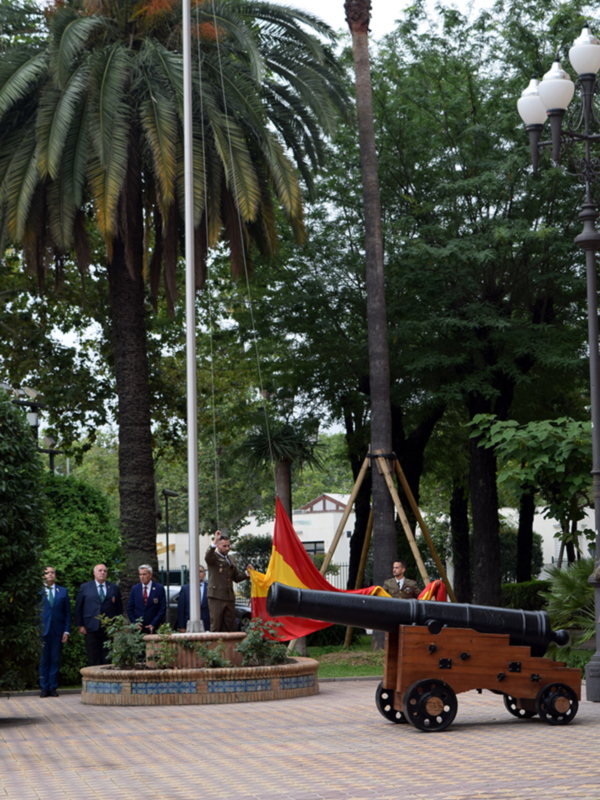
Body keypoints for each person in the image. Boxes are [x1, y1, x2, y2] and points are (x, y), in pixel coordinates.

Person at [75, 564, 123, 666]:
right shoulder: (85, 587)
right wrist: (80, 625)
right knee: (93, 655)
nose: (102, 573)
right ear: (94, 573)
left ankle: (106, 675)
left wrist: (117, 625)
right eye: (100, 570)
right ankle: (94, 675)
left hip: (108, 628)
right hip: (90, 626)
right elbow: (78, 607)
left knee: (107, 656)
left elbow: (119, 608)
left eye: (105, 571)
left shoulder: (114, 588)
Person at [205, 531, 253, 632]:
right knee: (216, 625)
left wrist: (247, 573)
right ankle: (215, 643)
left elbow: (236, 578)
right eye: (224, 546)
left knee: (229, 625)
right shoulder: (213, 558)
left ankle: (227, 643)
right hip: (216, 596)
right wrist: (215, 541)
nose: (227, 548)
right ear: (218, 546)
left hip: (229, 597)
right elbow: (208, 556)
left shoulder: (231, 559)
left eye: (228, 546)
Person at [39, 566, 71, 698]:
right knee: (43, 660)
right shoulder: (38, 592)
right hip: (42, 631)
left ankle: (52, 687)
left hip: (58, 631)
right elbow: (33, 613)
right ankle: (44, 688)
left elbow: (67, 613)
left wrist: (66, 631)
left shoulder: (62, 591)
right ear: (43, 576)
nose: (50, 575)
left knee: (55, 660)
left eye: (52, 572)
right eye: (47, 573)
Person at [126, 564, 166, 634]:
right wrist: (135, 623)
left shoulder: (159, 588)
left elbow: (162, 608)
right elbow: (129, 608)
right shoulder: (135, 589)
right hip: (138, 629)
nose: (142, 577)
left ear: (150, 575)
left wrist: (153, 624)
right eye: (140, 574)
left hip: (155, 628)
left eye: (144, 574)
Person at [177, 565, 210, 632]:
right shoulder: (185, 589)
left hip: (207, 625)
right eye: (196, 571)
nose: (198, 573)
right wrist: (182, 626)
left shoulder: (210, 588)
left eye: (200, 571)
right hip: (189, 624)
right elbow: (181, 608)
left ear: (204, 574)